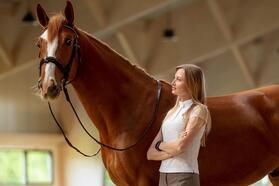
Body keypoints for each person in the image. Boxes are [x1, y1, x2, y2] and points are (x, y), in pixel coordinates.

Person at [147, 64, 211, 186]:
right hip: (163, 176)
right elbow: (150, 154)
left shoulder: (199, 110)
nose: (173, 82)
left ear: (191, 84)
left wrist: (159, 144)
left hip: (184, 176)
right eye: (174, 78)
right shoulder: (171, 113)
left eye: (179, 79)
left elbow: (180, 147)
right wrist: (172, 150)